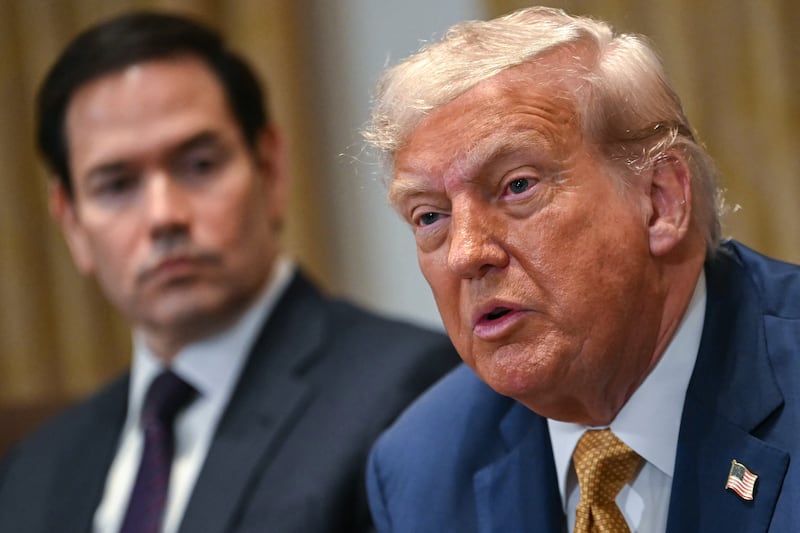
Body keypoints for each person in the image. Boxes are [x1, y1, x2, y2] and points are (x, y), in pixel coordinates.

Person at [0, 10, 459, 533]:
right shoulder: (33, 470)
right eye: (116, 185)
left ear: (270, 170)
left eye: (199, 165)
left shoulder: (411, 395)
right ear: (73, 225)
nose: (164, 215)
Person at [362, 6, 800, 532]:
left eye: (517, 185)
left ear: (660, 202)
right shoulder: (422, 469)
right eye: (430, 216)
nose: (465, 253)